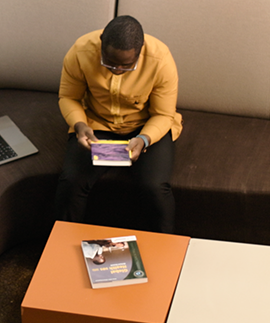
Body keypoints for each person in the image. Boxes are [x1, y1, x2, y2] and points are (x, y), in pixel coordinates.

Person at [54, 15, 181, 233]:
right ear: (102, 42)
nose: (117, 70)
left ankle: (165, 251)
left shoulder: (161, 60)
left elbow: (163, 114)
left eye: (126, 65)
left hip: (146, 127)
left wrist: (143, 139)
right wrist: (79, 125)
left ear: (140, 50)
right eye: (109, 63)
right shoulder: (81, 51)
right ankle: (59, 248)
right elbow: (69, 97)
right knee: (71, 182)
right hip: (97, 125)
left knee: (155, 187)